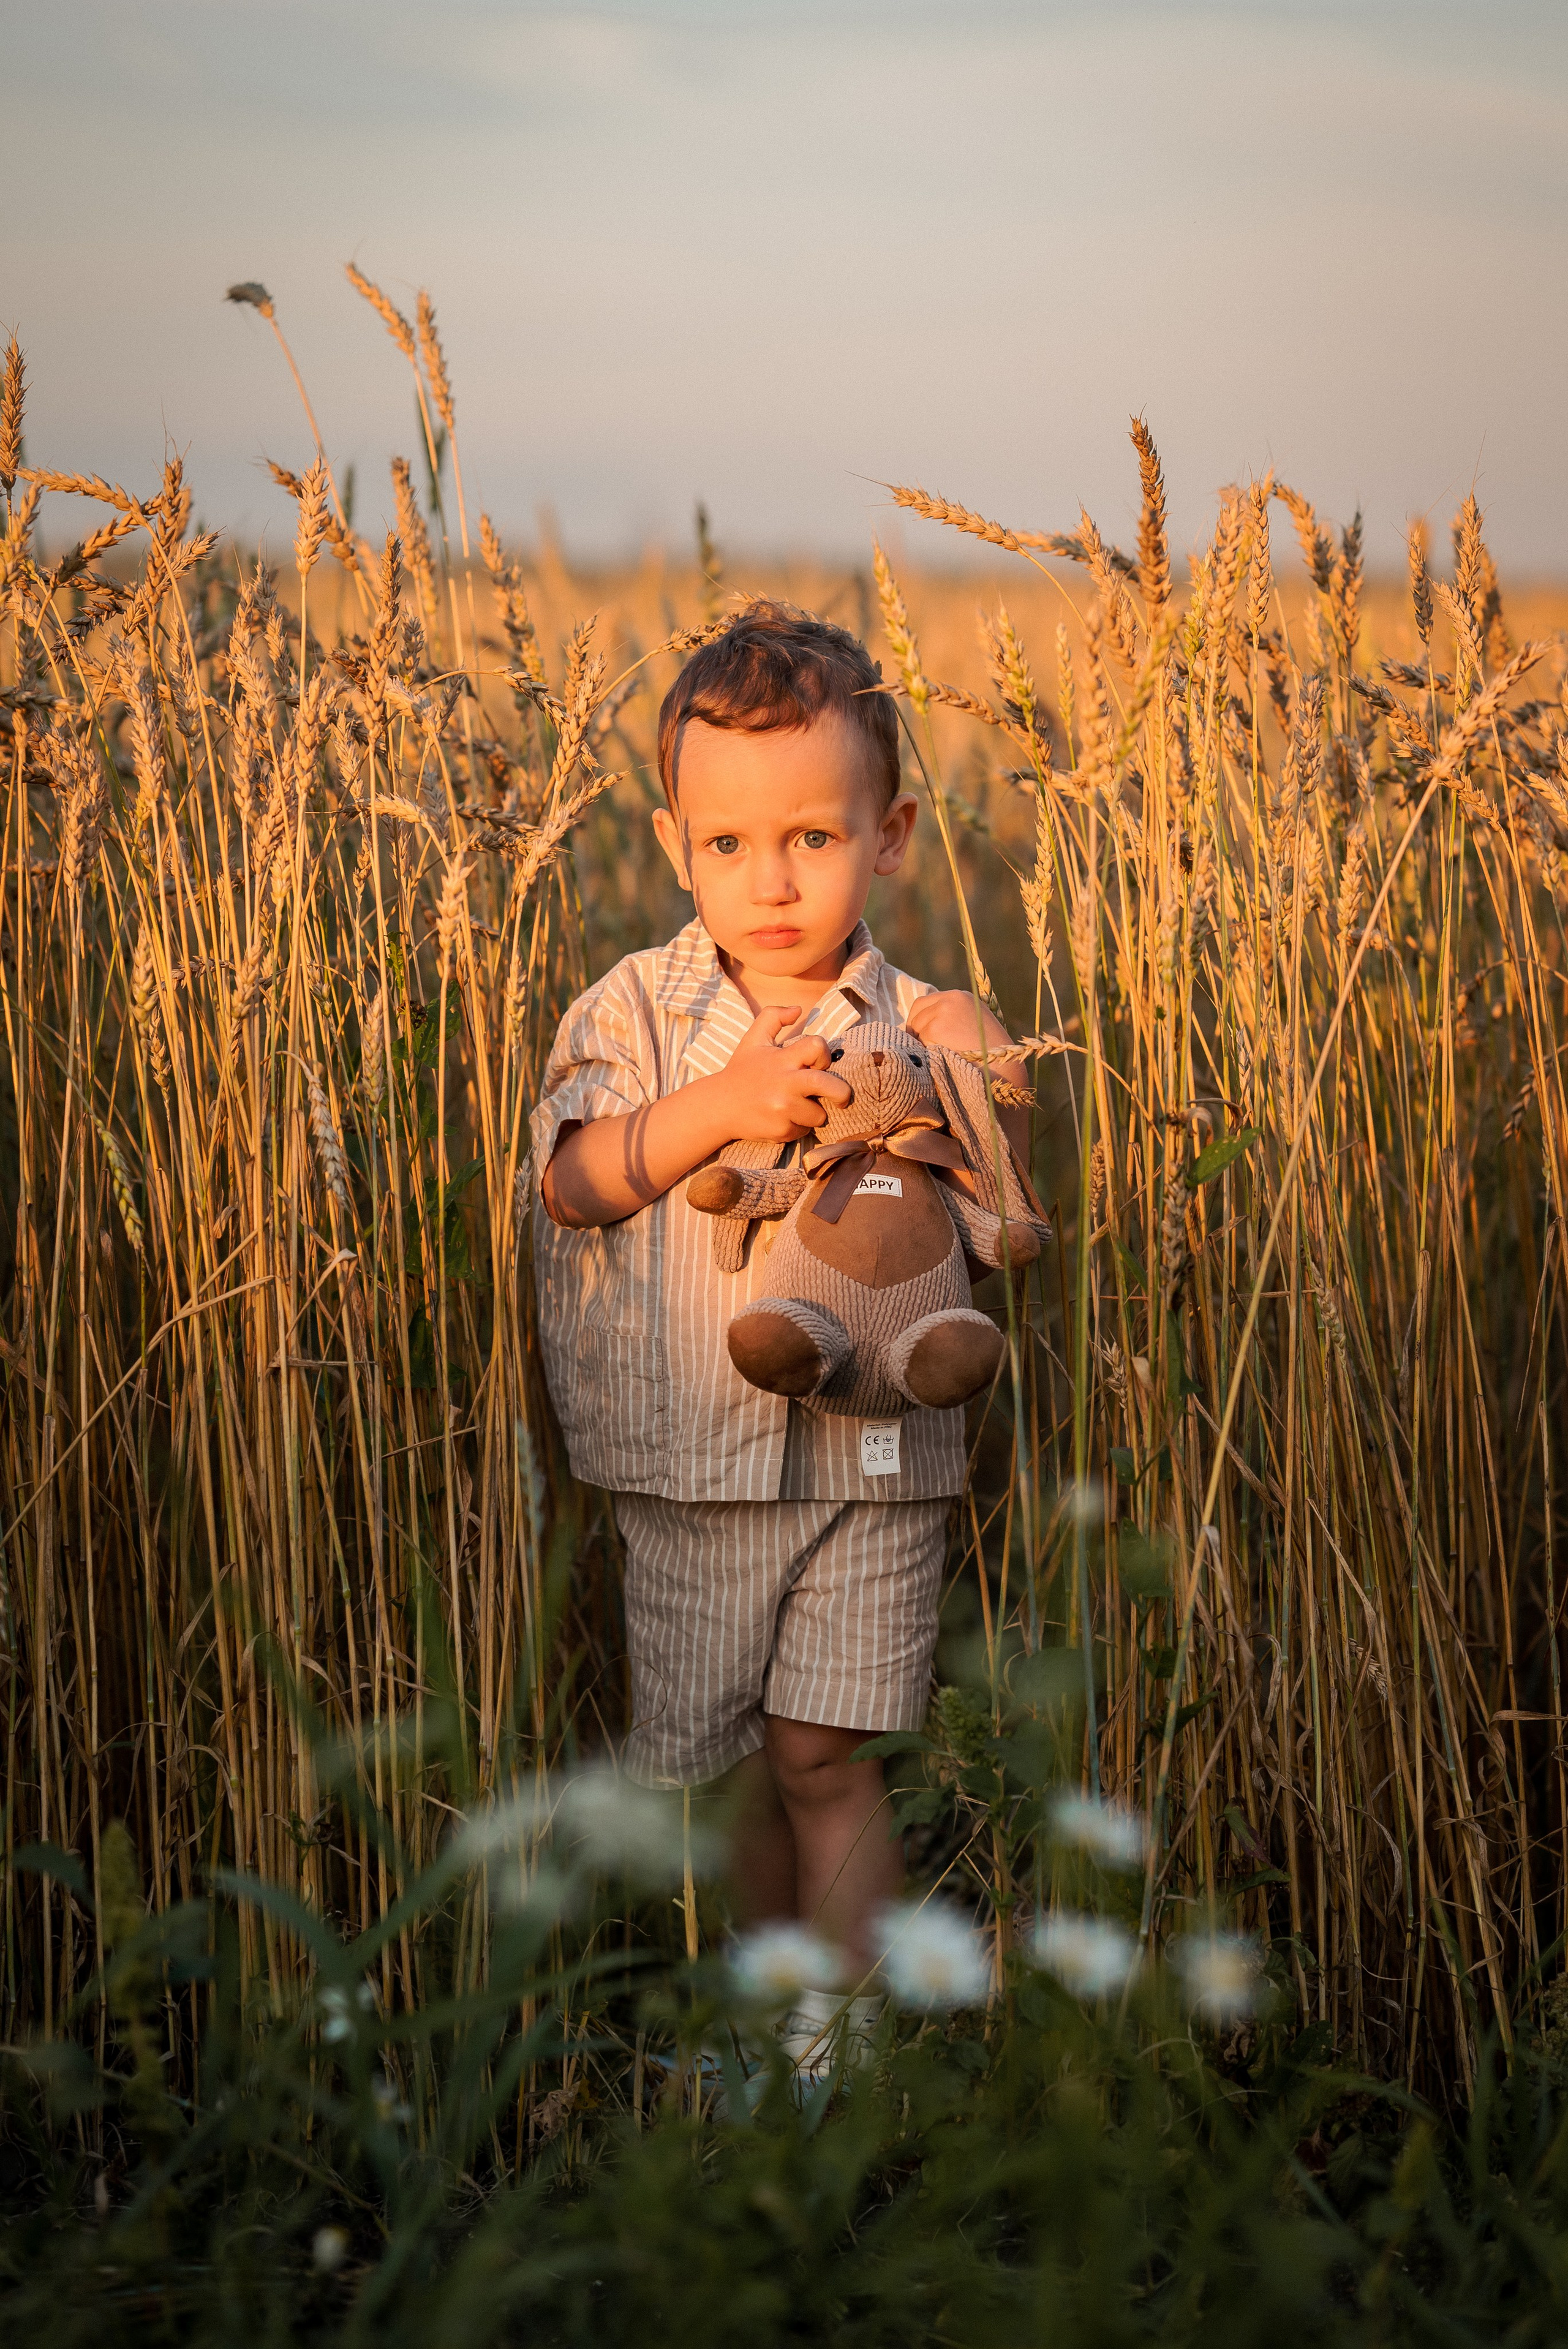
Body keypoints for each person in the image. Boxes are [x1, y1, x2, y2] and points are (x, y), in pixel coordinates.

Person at [532, 601, 1029, 2072]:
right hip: (687, 1466)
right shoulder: (632, 1007)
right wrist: (727, 1108)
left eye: (811, 838)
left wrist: (978, 1056)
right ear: (673, 840)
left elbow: (1003, 1173)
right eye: (727, 846)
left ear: (887, 834)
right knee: (727, 1774)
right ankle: (753, 2028)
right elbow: (573, 1180)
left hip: (874, 1459)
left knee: (827, 1752)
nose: (769, 881)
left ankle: (842, 2049)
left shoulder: (914, 1015)